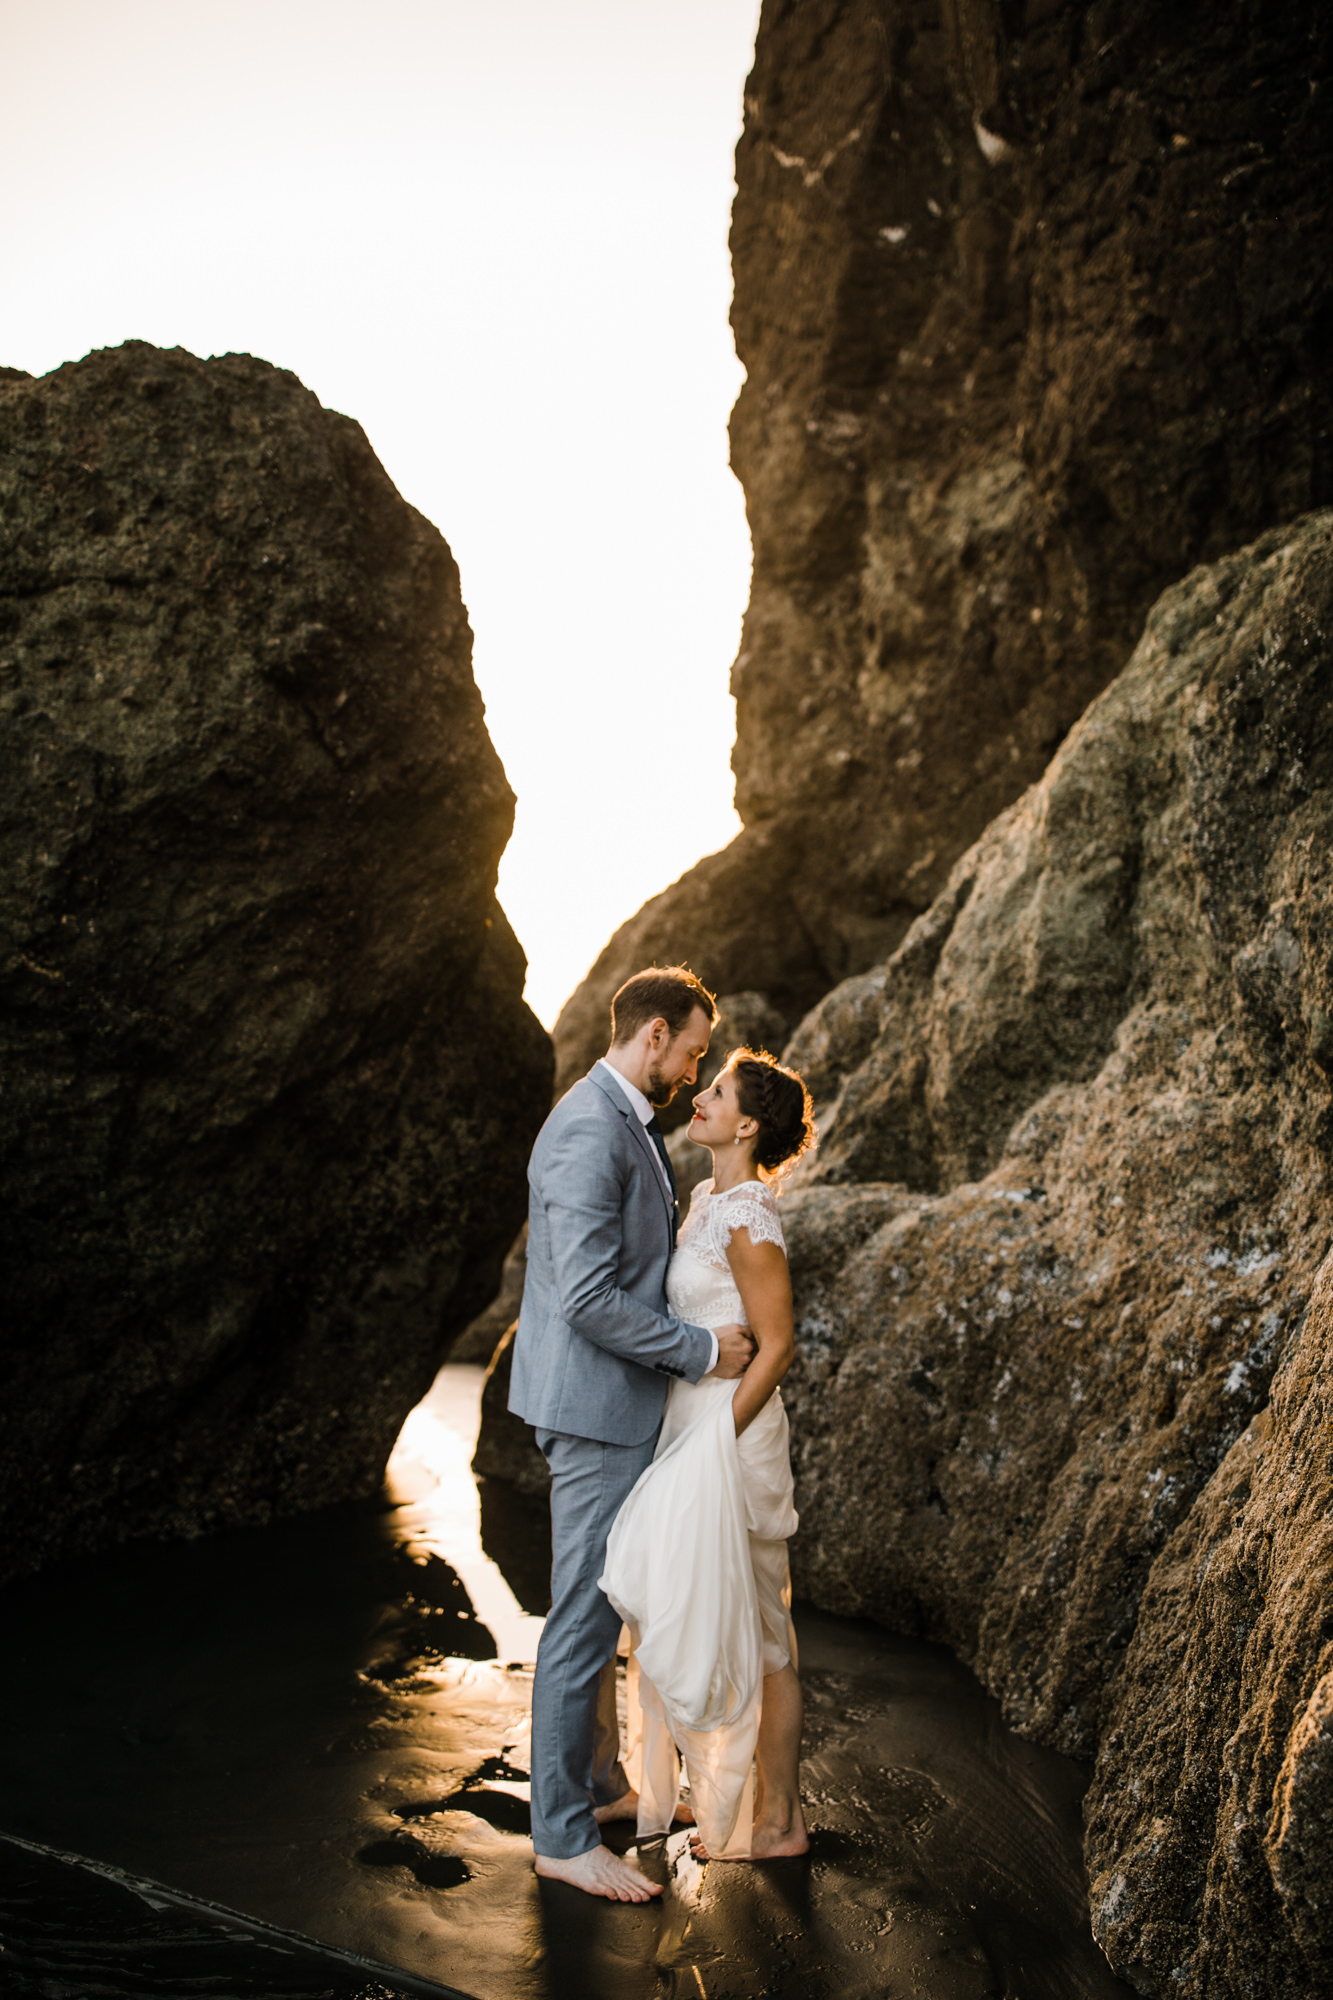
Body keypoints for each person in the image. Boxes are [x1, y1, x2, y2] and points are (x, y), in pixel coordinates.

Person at [509, 965, 756, 1903]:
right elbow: (581, 1296)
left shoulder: (624, 1121)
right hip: (590, 1407)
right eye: (691, 1052)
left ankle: (603, 1790)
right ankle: (561, 1837)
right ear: (652, 1034)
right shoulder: (584, 1128)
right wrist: (696, 1349)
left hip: (614, 1403)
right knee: (580, 1618)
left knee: (605, 1606)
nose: (692, 1075)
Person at [600, 1047, 815, 1862]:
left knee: (762, 1630)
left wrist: (718, 1440)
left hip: (731, 1437)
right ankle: (741, 1801)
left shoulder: (750, 1216)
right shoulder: (703, 1200)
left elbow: (779, 1345)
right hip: (689, 1427)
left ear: (747, 1124)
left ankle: (780, 1822)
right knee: (699, 1610)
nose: (699, 1096)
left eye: (715, 1091)